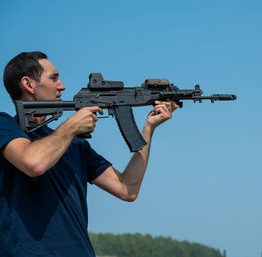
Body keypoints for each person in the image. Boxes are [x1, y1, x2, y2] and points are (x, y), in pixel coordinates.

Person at [0, 51, 178, 256]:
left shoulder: (76, 145)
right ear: (29, 84)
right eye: (54, 78)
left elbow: (127, 189)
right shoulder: (5, 125)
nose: (62, 86)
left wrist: (148, 128)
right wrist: (72, 126)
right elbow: (33, 163)